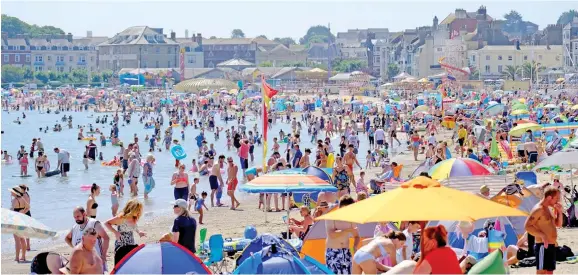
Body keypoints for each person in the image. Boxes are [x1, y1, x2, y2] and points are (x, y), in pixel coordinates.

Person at [524, 186, 563, 274]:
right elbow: (527, 226)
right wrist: (542, 235)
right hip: (542, 245)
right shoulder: (538, 209)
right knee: (542, 271)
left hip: (551, 245)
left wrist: (560, 212)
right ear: (549, 197)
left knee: (549, 271)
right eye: (556, 198)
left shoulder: (549, 208)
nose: (558, 201)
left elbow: (559, 224)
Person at [64, 206, 109, 271]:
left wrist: (104, 256)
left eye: (78, 216)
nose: (76, 219)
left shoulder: (94, 224)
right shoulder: (75, 227)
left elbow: (106, 238)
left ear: (84, 214)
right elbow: (67, 238)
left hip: (96, 263)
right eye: (75, 217)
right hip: (81, 266)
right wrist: (75, 249)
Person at [325, 195, 360, 274]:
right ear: (340, 207)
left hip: (346, 252)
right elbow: (332, 235)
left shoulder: (350, 219)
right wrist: (347, 230)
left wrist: (354, 246)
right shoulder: (331, 217)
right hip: (333, 252)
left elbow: (357, 236)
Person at [104, 199, 146, 265]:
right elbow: (106, 223)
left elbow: (134, 226)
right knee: (120, 264)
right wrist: (116, 232)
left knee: (130, 264)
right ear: (132, 209)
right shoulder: (121, 218)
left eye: (139, 210)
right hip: (121, 245)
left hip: (131, 244)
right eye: (138, 209)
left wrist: (139, 232)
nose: (139, 211)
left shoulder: (134, 217)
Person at [10, 186, 27, 262]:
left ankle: (17, 257)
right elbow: (28, 207)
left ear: (15, 193)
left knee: (17, 240)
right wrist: (22, 212)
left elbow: (12, 212)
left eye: (11, 191)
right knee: (22, 239)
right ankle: (23, 256)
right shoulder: (22, 199)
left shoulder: (14, 200)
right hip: (22, 221)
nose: (10, 192)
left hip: (16, 222)